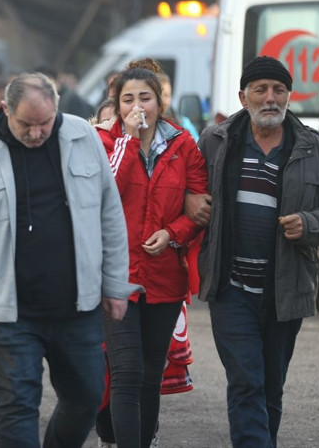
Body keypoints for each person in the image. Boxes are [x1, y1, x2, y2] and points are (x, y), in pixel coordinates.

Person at [0, 73, 137, 448]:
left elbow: (110, 214)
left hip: (77, 305)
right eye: (27, 124)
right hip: (9, 311)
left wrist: (115, 284)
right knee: (16, 406)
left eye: (45, 122)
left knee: (87, 397)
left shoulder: (82, 136)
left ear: (56, 109)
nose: (37, 132)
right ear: (6, 109)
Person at [197, 56, 319, 448]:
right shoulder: (216, 141)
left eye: (278, 90)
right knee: (245, 383)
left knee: (271, 388)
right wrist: (192, 200)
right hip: (230, 287)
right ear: (243, 97)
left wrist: (310, 224)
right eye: (261, 90)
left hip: (285, 289)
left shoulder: (316, 149)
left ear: (290, 96)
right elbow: (185, 186)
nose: (270, 98)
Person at [96, 59, 207, 448]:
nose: (137, 106)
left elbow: (199, 207)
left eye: (145, 97)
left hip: (164, 276)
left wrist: (172, 233)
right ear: (117, 103)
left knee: (149, 372)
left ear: (160, 102)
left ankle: (145, 440)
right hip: (117, 276)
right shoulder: (104, 141)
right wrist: (128, 138)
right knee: (124, 370)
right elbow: (103, 191)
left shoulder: (183, 145)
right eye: (128, 99)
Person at [159, 72, 200, 140]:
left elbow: (196, 147)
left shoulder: (184, 124)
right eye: (160, 95)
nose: (163, 101)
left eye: (167, 95)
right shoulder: (144, 126)